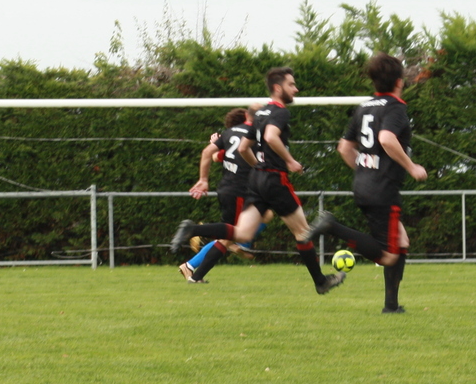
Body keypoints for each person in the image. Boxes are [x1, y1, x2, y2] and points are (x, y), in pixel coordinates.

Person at [170, 68, 345, 295]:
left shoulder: (261, 114)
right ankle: (321, 282)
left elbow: (244, 148)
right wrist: (290, 161)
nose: (296, 89)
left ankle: (193, 229)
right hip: (274, 178)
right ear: (278, 88)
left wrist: (258, 167)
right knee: (303, 233)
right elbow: (270, 137)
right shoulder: (280, 112)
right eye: (291, 85)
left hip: (257, 180)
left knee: (242, 233)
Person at [306, 52, 426, 312]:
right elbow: (386, 139)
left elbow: (344, 148)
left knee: (401, 241)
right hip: (383, 190)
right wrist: (412, 166)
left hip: (364, 184)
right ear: (399, 82)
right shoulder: (395, 107)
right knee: (388, 255)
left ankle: (391, 306)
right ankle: (332, 226)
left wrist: (365, 170)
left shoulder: (365, 107)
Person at [179, 108, 270, 283]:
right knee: (228, 237)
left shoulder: (231, 136)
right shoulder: (253, 137)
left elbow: (214, 156)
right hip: (239, 191)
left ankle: (195, 268)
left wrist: (217, 143)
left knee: (266, 214)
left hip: (231, 189)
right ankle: (194, 257)